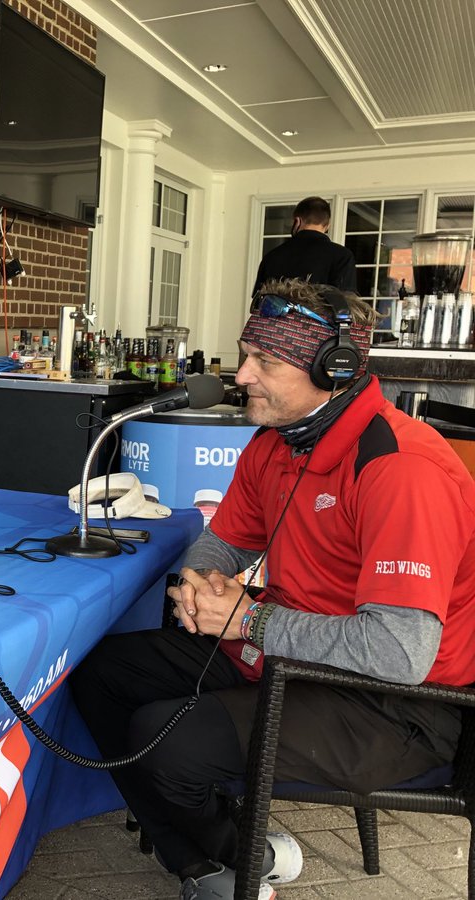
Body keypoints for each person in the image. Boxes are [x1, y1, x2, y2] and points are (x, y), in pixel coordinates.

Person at [70, 278, 475, 899]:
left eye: (265, 361)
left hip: (399, 702)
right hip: (291, 653)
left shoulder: (402, 470)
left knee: (167, 741)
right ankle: (219, 862)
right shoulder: (274, 441)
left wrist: (247, 623)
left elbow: (399, 653)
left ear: (332, 367)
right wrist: (199, 581)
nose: (241, 374)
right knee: (101, 672)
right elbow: (226, 539)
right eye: (244, 353)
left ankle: (229, 858)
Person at [252, 196, 356, 297]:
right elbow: (346, 305)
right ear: (327, 225)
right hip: (320, 314)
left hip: (276, 314)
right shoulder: (342, 256)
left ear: (297, 221)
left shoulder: (272, 256)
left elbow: (258, 302)